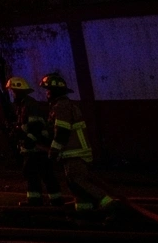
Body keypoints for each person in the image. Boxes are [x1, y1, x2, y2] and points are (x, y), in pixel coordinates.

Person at [41, 72, 116, 215]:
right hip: (73, 152)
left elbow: (62, 131)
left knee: (78, 181)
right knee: (74, 185)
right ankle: (84, 212)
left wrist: (54, 150)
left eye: (48, 90)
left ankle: (108, 203)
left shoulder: (61, 107)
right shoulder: (63, 106)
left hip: (75, 153)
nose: (47, 94)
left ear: (55, 92)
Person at [5, 76, 62, 206]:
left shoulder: (29, 105)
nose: (12, 94)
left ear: (19, 91)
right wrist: (15, 129)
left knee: (35, 174)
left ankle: (38, 204)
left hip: (37, 148)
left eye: (13, 91)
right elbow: (26, 126)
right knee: (41, 175)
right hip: (33, 149)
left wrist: (29, 139)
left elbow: (36, 126)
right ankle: (52, 203)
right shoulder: (24, 105)